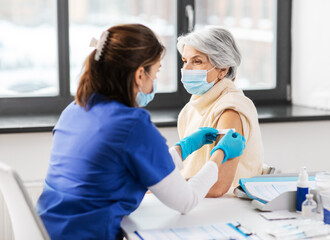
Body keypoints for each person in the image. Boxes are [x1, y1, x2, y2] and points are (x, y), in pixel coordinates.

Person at [36, 24, 246, 240]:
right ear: (139, 75)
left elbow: (145, 166)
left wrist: (184, 148)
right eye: (155, 72)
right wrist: (219, 155)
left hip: (48, 231)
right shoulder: (131, 125)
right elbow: (186, 201)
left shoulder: (75, 109)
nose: (155, 81)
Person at [176, 26, 264, 198]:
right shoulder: (191, 108)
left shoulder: (230, 109)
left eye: (197, 61)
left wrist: (166, 187)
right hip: (195, 198)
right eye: (185, 60)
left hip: (224, 206)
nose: (186, 69)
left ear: (223, 69)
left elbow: (217, 186)